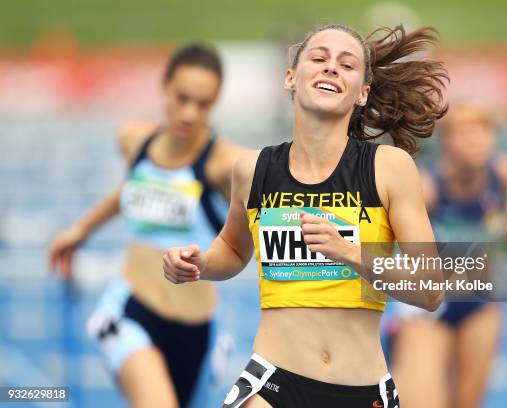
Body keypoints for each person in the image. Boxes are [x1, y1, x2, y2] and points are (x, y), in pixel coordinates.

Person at [163, 24, 448, 407]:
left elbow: (430, 291)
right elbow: (232, 248)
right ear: (291, 78)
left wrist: (348, 252)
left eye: (346, 65)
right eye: (319, 58)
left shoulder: (388, 168)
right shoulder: (252, 170)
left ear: (362, 93)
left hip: (363, 392)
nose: (331, 68)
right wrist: (200, 263)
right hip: (272, 383)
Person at [48, 43, 242, 408]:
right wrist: (82, 229)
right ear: (164, 87)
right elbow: (135, 186)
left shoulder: (221, 164)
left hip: (197, 331)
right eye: (181, 98)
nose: (189, 113)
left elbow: (274, 180)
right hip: (131, 311)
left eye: (203, 104)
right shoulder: (133, 140)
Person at [386, 104, 507, 408]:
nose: (476, 140)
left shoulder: (504, 174)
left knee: (467, 402)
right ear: (448, 142)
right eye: (465, 133)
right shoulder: (427, 188)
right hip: (428, 307)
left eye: (483, 132)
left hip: (479, 303)